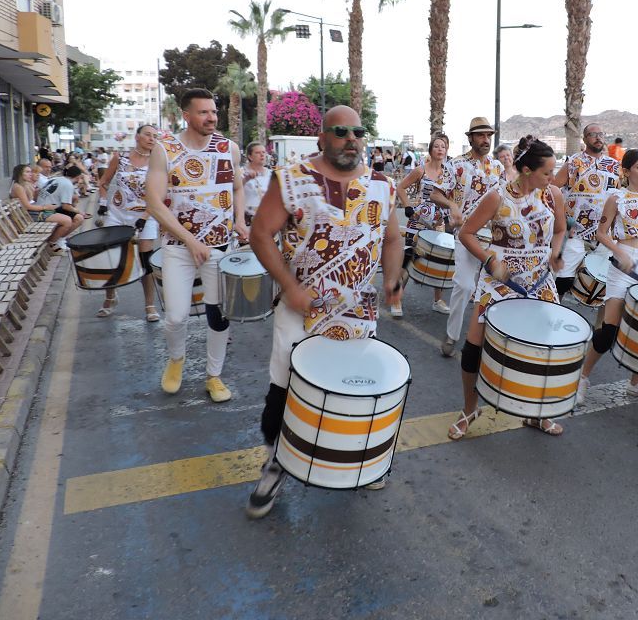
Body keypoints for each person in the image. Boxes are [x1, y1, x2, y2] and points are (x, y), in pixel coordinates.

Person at [245, 105, 403, 518]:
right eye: (340, 131)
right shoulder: (292, 179)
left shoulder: (382, 185)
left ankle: (362, 461)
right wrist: (290, 287)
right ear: (322, 138)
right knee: (285, 387)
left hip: (357, 311)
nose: (351, 138)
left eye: (358, 131)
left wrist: (391, 278)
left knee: (357, 387)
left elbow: (391, 239)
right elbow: (261, 234)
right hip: (301, 310)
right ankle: (275, 462)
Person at [447, 136, 566, 440]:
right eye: (546, 173)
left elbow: (562, 229)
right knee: (473, 349)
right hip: (500, 283)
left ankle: (537, 414)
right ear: (527, 170)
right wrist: (489, 260)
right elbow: (467, 233)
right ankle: (469, 409)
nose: (552, 178)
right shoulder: (496, 197)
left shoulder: (552, 195)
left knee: (542, 352)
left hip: (539, 282)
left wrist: (555, 251)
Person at [145, 88, 249, 404]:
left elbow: (239, 187)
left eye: (213, 112)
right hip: (178, 246)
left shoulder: (228, 148)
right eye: (203, 112)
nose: (211, 117)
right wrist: (190, 240)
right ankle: (176, 359)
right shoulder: (165, 150)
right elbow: (153, 202)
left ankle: (213, 376)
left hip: (220, 247)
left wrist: (241, 220)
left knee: (218, 315)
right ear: (186, 115)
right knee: (176, 316)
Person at [576, 149, 638, 405]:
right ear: (626, 172)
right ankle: (583, 378)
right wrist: (619, 251)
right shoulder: (616, 197)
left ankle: (636, 383)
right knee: (609, 330)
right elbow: (601, 233)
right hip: (623, 265)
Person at [430, 117, 506, 357]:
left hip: (493, 236)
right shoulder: (455, 165)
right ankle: (452, 336)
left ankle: (495, 343)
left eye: (489, 136)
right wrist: (452, 205)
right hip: (466, 235)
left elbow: (507, 199)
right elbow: (435, 193)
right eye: (481, 135)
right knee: (464, 285)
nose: (486, 140)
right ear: (470, 138)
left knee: (499, 289)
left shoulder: (498, 168)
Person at [95, 125, 160, 321]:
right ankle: (110, 297)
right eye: (148, 134)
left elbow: (159, 194)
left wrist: (145, 217)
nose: (151, 139)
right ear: (137, 136)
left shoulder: (159, 162)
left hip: (146, 214)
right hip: (117, 214)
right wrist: (103, 205)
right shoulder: (120, 157)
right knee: (112, 257)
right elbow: (103, 183)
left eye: (155, 136)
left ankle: (150, 305)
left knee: (145, 260)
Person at [551, 123, 619, 298]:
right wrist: (560, 221)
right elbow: (552, 190)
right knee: (563, 280)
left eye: (601, 134)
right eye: (592, 134)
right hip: (575, 230)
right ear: (584, 138)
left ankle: (601, 325)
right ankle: (551, 315)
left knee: (603, 284)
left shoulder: (614, 165)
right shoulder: (574, 162)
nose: (598, 138)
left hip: (603, 232)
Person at [395, 134, 451, 317]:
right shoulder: (420, 170)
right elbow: (400, 187)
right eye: (436, 146)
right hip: (418, 220)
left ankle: (438, 300)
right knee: (409, 257)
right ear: (430, 150)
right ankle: (396, 299)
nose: (440, 149)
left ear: (447, 149)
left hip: (438, 223)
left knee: (440, 261)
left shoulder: (449, 173)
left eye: (443, 146)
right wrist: (407, 207)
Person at [8, 165, 76, 250]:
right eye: (27, 172)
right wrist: (45, 207)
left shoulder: (24, 185)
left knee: (67, 218)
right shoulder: (18, 187)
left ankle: (53, 241)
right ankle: (51, 244)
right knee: (67, 221)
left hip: (32, 212)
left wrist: (36, 190)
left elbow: (33, 200)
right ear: (19, 174)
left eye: (30, 172)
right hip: (28, 215)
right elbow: (27, 206)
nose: (30, 174)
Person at [35, 166, 87, 241]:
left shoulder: (56, 178)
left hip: (46, 206)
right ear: (78, 177)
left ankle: (59, 237)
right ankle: (52, 242)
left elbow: (38, 191)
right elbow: (66, 206)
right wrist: (80, 211)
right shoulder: (68, 184)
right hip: (45, 211)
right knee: (71, 220)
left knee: (78, 218)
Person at [242, 142, 272, 227]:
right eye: (258, 153)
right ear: (250, 156)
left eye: (264, 152)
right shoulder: (241, 173)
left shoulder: (272, 174)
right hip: (248, 220)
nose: (262, 155)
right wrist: (246, 179)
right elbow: (234, 190)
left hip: (268, 220)